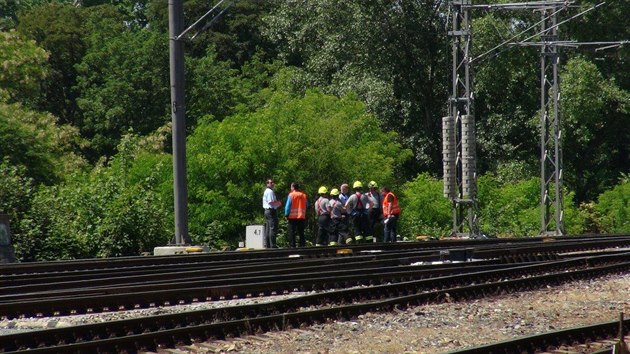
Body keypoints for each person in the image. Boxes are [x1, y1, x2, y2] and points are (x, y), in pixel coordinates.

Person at [285, 182, 308, 248]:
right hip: (301, 216)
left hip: (292, 217)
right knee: (301, 232)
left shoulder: (291, 195)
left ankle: (292, 246)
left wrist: (286, 214)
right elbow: (307, 204)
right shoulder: (303, 195)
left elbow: (287, 206)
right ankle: (302, 245)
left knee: (291, 232)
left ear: (293, 187)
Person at [262, 178, 282, 248]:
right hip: (271, 211)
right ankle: (272, 245)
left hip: (267, 211)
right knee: (272, 228)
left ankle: (268, 245)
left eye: (273, 182)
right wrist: (278, 203)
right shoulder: (270, 191)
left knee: (268, 228)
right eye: (271, 182)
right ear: (267, 184)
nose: (272, 184)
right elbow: (271, 202)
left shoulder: (266, 191)